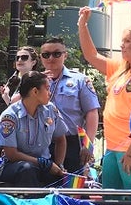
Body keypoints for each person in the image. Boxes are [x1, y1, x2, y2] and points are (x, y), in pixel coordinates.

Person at [77, 7, 131, 189]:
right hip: (113, 146)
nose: (122, 45)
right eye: (122, 41)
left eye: (127, 41)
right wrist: (82, 25)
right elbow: (91, 56)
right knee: (111, 201)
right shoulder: (121, 68)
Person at [38, 37, 100, 174]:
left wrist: (88, 144)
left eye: (57, 54)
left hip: (71, 142)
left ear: (65, 55)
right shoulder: (34, 81)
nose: (51, 58)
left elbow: (92, 112)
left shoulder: (79, 80)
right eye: (46, 55)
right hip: (41, 141)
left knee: (71, 186)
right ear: (40, 57)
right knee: (42, 187)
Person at [0, 71, 67, 187]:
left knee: (57, 177)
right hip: (16, 166)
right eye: (47, 89)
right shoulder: (10, 117)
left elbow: (61, 139)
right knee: (27, 170)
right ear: (35, 91)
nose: (50, 93)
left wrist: (59, 165)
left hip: (45, 165)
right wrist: (42, 163)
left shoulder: (50, 110)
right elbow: (11, 154)